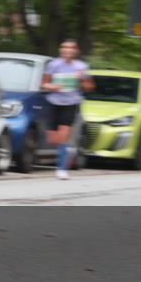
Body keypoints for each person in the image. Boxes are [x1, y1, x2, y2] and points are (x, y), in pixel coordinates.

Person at [41, 40, 94, 180]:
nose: (67, 50)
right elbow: (44, 83)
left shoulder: (81, 66)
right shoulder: (53, 64)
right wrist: (51, 87)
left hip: (71, 102)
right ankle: (67, 151)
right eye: (64, 47)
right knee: (53, 139)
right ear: (60, 50)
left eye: (70, 48)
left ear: (75, 51)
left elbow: (89, 87)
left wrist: (82, 79)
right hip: (53, 102)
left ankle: (62, 168)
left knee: (64, 136)